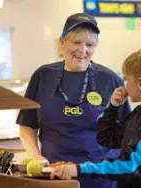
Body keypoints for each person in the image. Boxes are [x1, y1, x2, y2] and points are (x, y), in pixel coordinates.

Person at [16, 12, 131, 188]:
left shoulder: (110, 79)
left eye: (89, 44)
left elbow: (127, 132)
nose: (83, 50)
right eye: (76, 42)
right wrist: (36, 157)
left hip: (99, 178)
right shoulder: (42, 76)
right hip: (54, 177)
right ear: (62, 43)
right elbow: (26, 124)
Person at [50, 46, 141, 188]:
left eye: (127, 80)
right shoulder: (140, 113)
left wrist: (79, 169)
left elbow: (131, 165)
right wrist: (112, 107)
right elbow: (106, 138)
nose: (125, 85)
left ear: (140, 83)